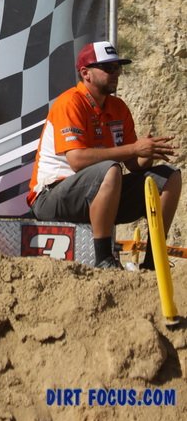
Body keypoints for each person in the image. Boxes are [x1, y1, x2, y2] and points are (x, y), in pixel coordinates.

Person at [27, 41, 181, 269]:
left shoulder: (118, 107)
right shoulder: (70, 102)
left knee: (169, 177)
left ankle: (153, 263)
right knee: (110, 169)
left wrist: (148, 152)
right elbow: (77, 160)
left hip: (98, 193)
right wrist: (134, 149)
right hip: (50, 196)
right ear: (85, 73)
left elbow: (134, 164)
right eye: (108, 68)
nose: (115, 73)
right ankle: (104, 259)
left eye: (118, 67)